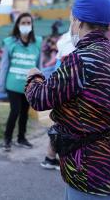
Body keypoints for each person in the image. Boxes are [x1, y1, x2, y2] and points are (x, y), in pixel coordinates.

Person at [25, 0, 110, 199]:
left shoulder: (80, 60)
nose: (71, 25)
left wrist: (34, 78)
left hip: (87, 167)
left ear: (79, 22)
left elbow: (40, 98)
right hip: (109, 162)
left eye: (72, 20)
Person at [0, 12, 42, 151]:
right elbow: (4, 65)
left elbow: (38, 66)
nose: (26, 25)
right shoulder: (10, 42)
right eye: (23, 23)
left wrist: (39, 84)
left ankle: (21, 138)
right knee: (15, 111)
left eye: (29, 23)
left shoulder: (37, 42)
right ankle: (7, 139)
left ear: (32, 25)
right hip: (13, 85)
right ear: (17, 25)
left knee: (25, 113)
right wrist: (1, 85)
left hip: (29, 86)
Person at [40, 30, 76, 170]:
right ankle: (52, 158)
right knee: (62, 125)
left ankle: (50, 158)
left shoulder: (66, 39)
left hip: (60, 87)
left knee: (59, 125)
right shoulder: (71, 41)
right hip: (64, 89)